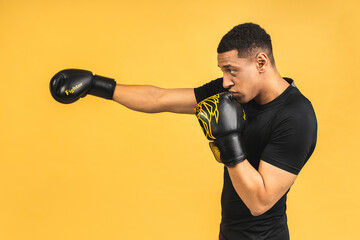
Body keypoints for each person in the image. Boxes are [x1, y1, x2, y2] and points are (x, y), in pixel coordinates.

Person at [50, 22, 317, 240]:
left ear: (261, 62)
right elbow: (160, 98)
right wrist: (97, 86)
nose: (225, 81)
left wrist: (227, 140)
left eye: (231, 70)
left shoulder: (296, 117)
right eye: (222, 71)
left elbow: (259, 202)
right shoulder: (235, 92)